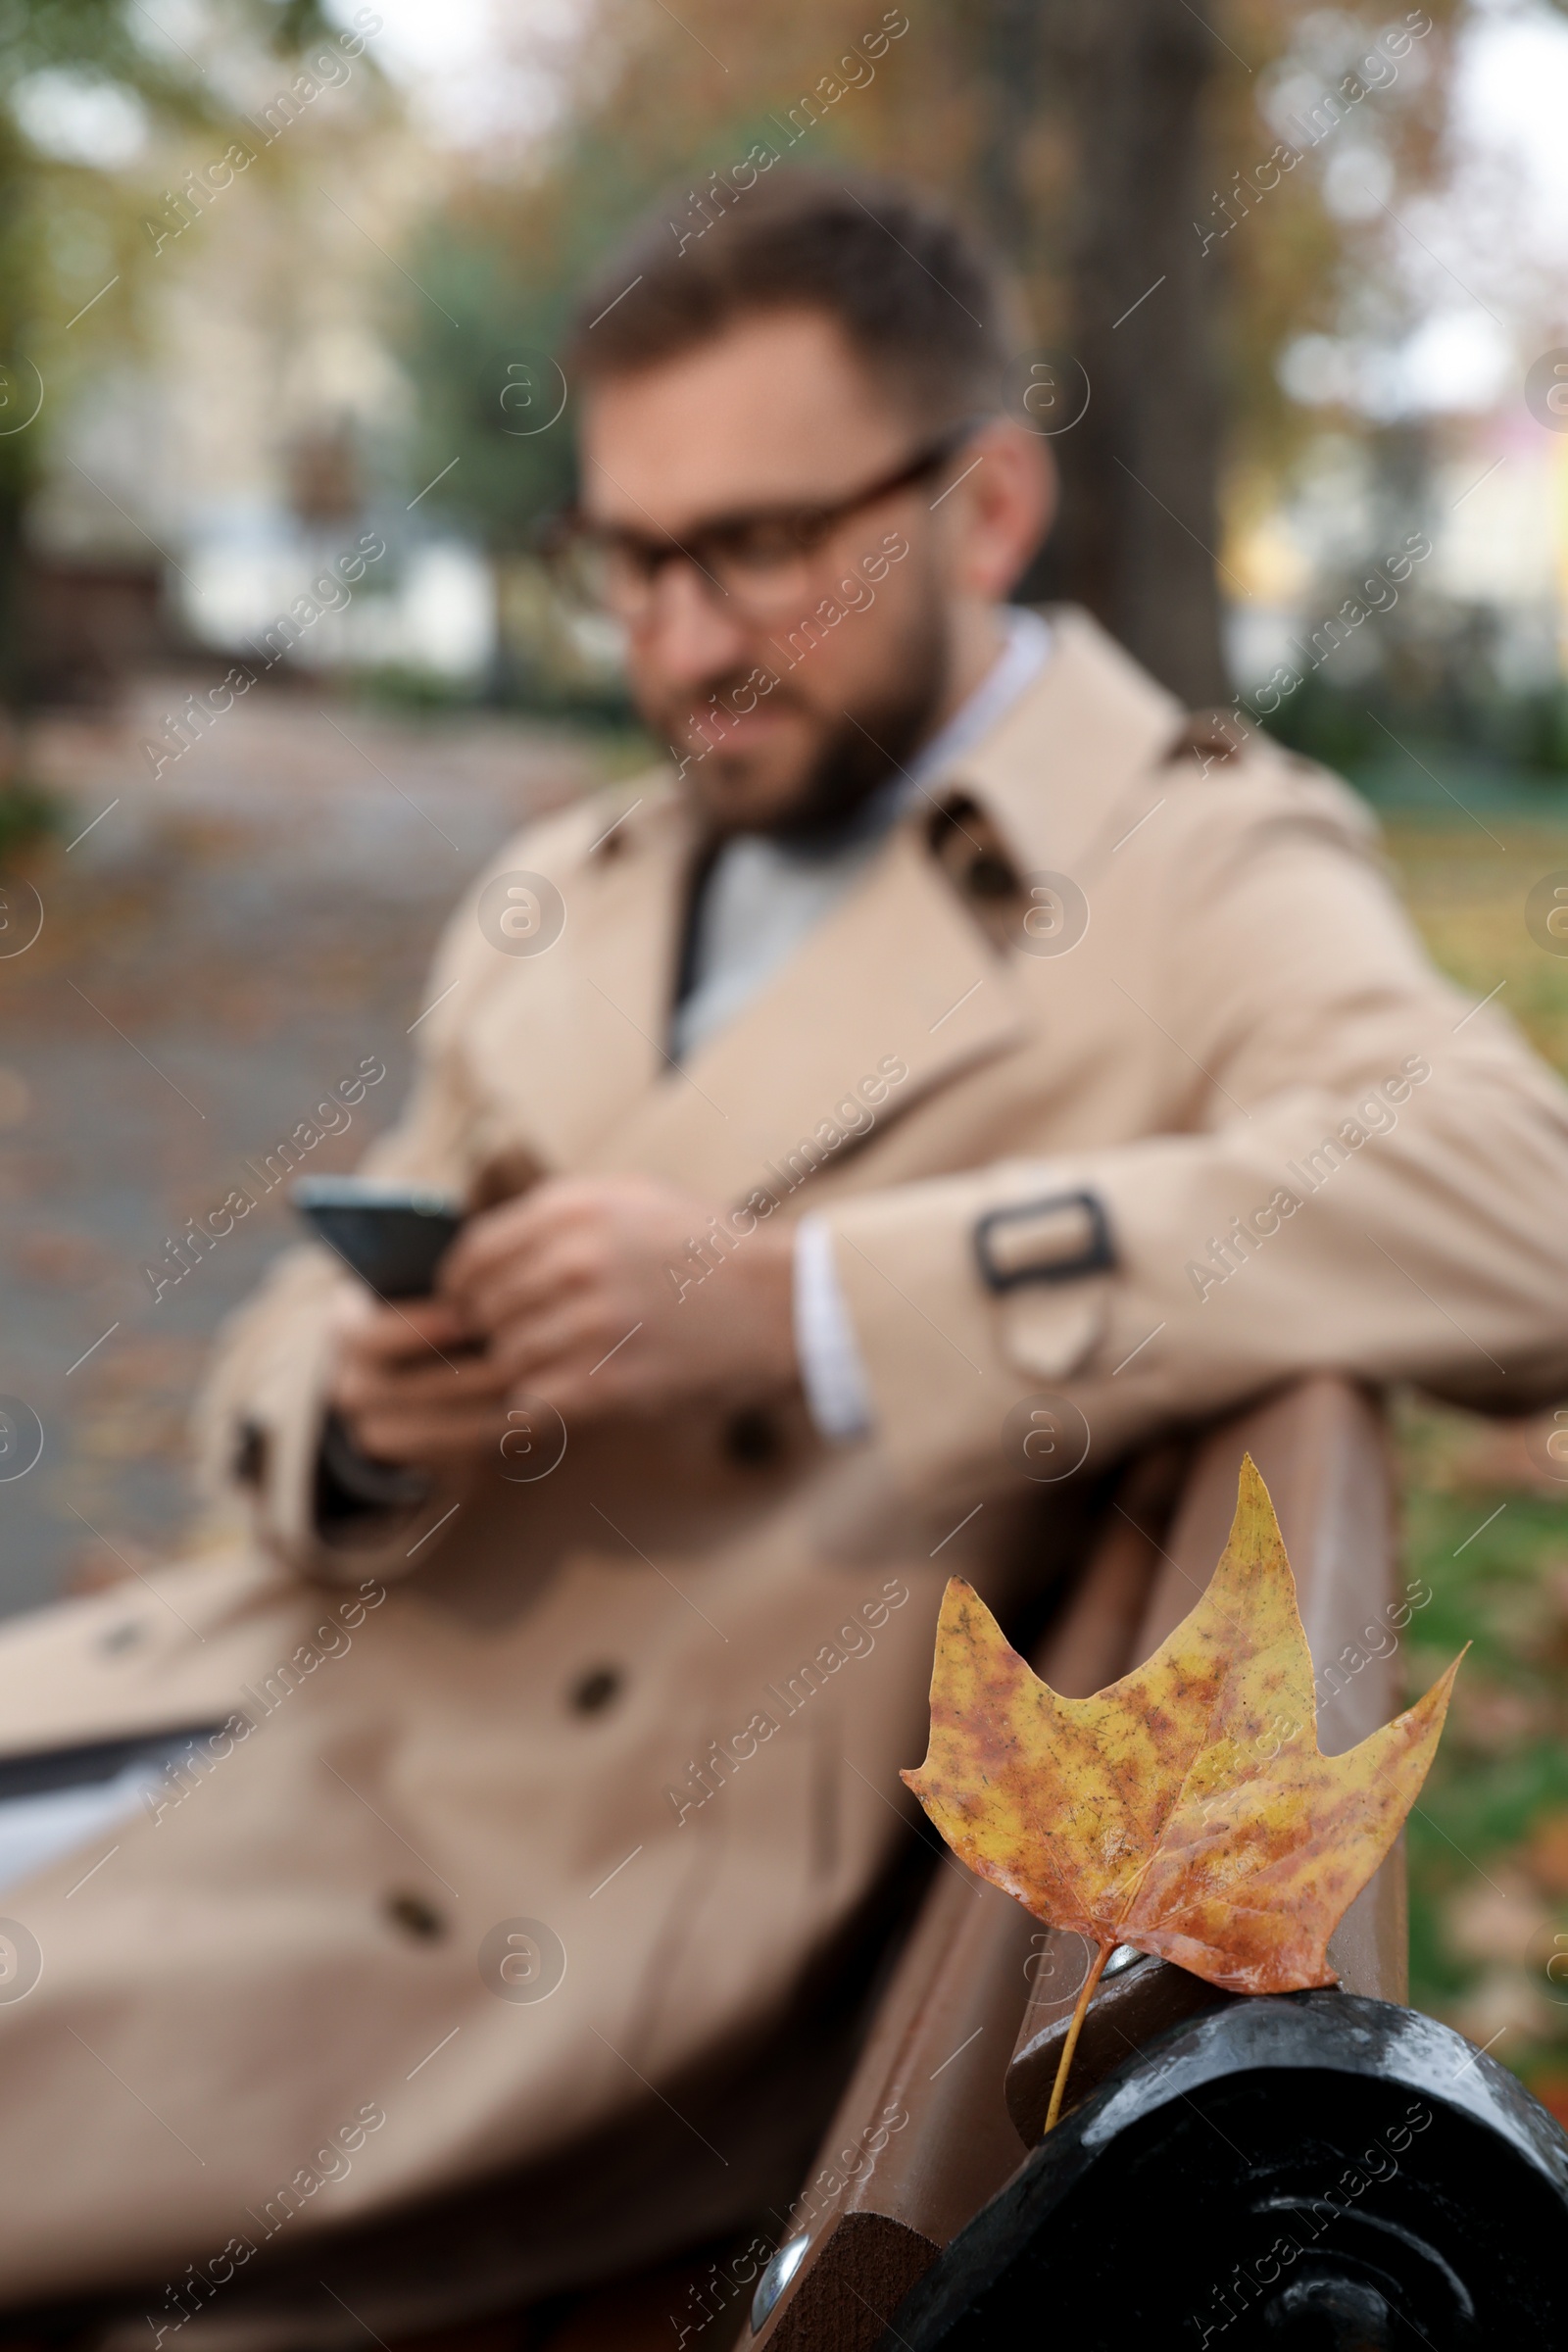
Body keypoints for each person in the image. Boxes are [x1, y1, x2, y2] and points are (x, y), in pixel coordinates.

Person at [2, 166, 1568, 2345]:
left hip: (507, 1925)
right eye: (627, 557)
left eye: (753, 548)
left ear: (986, 510)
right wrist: (348, 1415)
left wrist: (813, 1312)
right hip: (247, 1693)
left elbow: (1516, 1187)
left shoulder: (1190, 858)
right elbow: (296, 1323)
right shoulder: (594, 871)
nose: (676, 639)